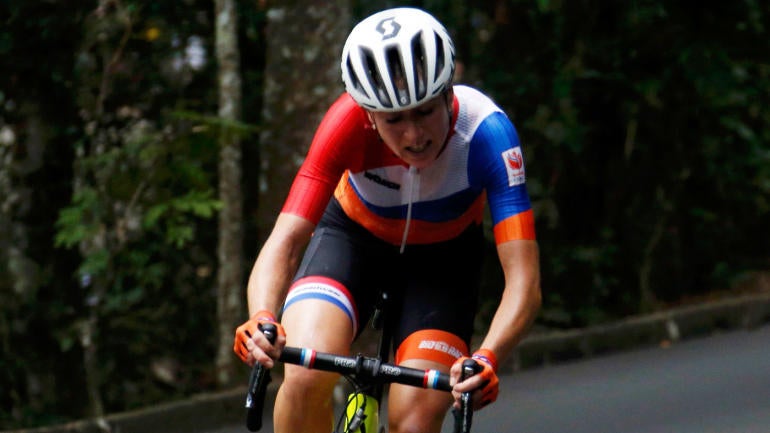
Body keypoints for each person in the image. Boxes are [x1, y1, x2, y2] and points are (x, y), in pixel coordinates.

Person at [234, 7, 541, 433]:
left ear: (448, 94)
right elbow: (285, 241)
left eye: (425, 111)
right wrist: (262, 317)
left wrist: (488, 356)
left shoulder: (488, 134)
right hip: (352, 240)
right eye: (394, 120)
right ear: (369, 115)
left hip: (442, 263)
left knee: (414, 420)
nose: (414, 136)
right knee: (303, 375)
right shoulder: (345, 124)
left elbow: (524, 280)